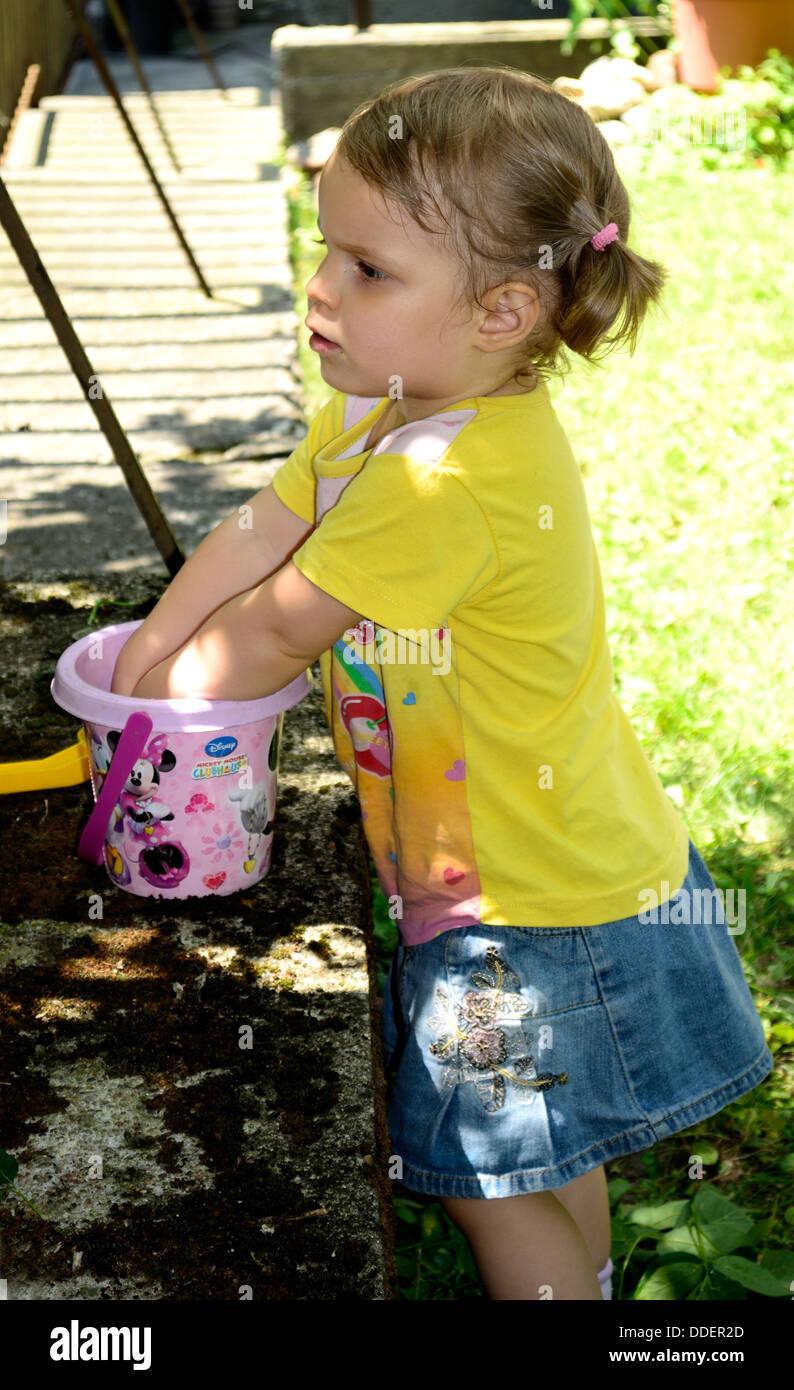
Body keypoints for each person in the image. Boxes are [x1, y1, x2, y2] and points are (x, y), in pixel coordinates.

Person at [111, 67, 774, 1300]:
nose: (321, 289)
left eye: (368, 270)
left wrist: (146, 711)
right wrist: (149, 655)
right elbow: (257, 532)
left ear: (501, 310)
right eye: (327, 251)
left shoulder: (441, 485)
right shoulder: (382, 413)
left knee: (490, 1179)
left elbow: (270, 631)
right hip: (521, 873)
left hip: (523, 917)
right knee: (537, 1149)